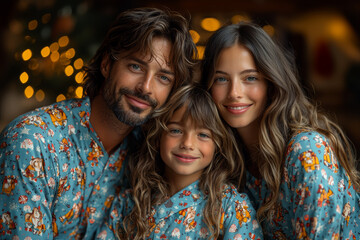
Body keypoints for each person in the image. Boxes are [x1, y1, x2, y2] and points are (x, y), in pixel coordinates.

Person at [0, 7, 197, 239]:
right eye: (136, 66)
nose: (145, 87)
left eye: (163, 77)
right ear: (106, 64)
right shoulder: (32, 142)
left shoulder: (150, 152)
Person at [201, 21, 360, 239]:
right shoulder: (226, 159)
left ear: (271, 82)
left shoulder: (308, 151)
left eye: (250, 78)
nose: (234, 92)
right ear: (207, 87)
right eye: (221, 79)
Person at [93, 84, 263, 240]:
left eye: (203, 135)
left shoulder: (232, 208)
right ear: (159, 135)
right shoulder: (128, 204)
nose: (188, 144)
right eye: (175, 130)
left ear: (218, 144)